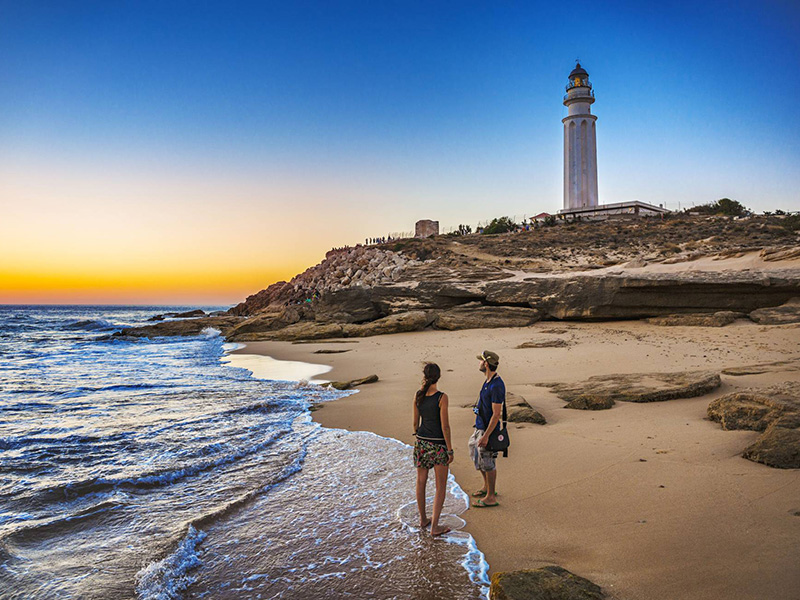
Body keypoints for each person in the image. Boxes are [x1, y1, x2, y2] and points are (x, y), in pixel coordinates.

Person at [413, 362, 454, 536]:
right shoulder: (441, 397)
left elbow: (415, 424)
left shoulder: (418, 395)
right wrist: (450, 449)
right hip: (438, 445)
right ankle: (435, 527)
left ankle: (423, 519)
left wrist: (420, 436)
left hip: (421, 442)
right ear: (438, 377)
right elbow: (445, 426)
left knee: (421, 482)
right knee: (440, 487)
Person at [468, 350, 504, 508]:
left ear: (486, 364)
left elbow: (496, 414)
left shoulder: (496, 385)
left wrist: (486, 436)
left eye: (481, 361)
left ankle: (491, 497)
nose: (479, 363)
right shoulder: (488, 381)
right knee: (475, 453)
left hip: (488, 430)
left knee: (488, 461)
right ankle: (486, 487)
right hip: (480, 426)